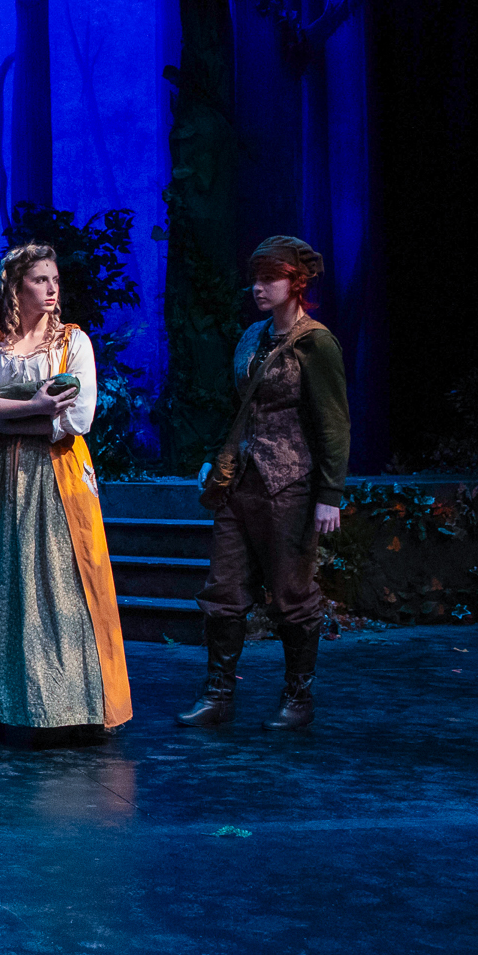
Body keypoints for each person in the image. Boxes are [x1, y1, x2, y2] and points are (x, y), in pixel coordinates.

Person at [0, 243, 132, 745]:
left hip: (59, 472)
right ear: (16, 287)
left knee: (66, 580)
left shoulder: (73, 342)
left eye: (55, 279)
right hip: (3, 477)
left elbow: (78, 418)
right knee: (3, 583)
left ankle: (81, 707)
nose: (52, 288)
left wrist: (7, 417)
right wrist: (35, 405)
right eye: (40, 280)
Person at [179, 236, 349, 732]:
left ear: (296, 282)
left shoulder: (316, 343)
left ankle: (298, 697)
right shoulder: (252, 337)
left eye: (270, 278)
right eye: (255, 277)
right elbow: (239, 408)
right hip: (240, 484)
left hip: (290, 483)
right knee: (224, 589)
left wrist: (329, 495)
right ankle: (218, 695)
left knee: (292, 593)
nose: (258, 287)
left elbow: (334, 424)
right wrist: (216, 458)